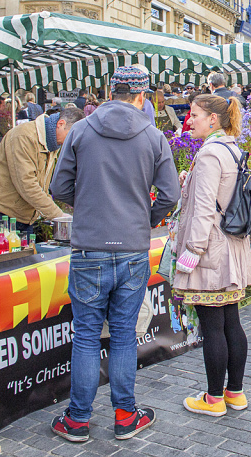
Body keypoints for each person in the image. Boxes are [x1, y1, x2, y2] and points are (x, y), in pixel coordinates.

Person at [49, 66, 179, 442]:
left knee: (87, 335)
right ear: (141, 97)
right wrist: (145, 218)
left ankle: (77, 421)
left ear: (111, 91)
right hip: (133, 248)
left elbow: (60, 187)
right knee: (123, 335)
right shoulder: (154, 137)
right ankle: (125, 415)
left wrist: (88, 207)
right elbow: (170, 195)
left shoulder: (81, 129)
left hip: (89, 247)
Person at [171, 94, 251, 416]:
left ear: (213, 119)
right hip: (231, 248)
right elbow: (222, 194)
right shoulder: (231, 148)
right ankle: (235, 393)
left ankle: (213, 399)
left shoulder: (208, 154)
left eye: (194, 114)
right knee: (231, 321)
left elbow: (205, 209)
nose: (188, 120)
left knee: (212, 327)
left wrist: (192, 251)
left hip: (210, 251)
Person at [0, 106, 85, 233]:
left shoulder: (52, 142)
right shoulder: (23, 136)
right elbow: (27, 184)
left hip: (23, 217)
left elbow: (43, 184)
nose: (72, 141)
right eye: (71, 135)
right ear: (61, 124)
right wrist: (57, 215)